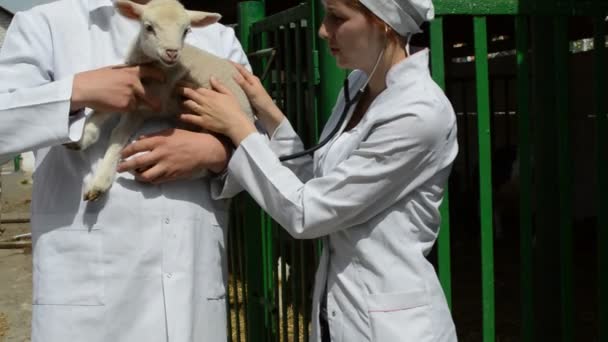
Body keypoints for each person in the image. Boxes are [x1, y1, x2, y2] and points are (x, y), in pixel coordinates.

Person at [173, 0, 459, 340]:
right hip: (338, 314)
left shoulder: (419, 114)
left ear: (383, 22)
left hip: (395, 328)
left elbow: (307, 214)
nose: (324, 30)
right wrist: (269, 113)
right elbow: (318, 185)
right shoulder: (357, 87)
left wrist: (239, 129)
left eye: (337, 17)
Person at [0, 0, 249, 341]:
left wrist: (217, 153)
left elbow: (263, 148)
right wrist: (76, 91)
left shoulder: (217, 38)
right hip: (88, 297)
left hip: (190, 283)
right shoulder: (47, 25)